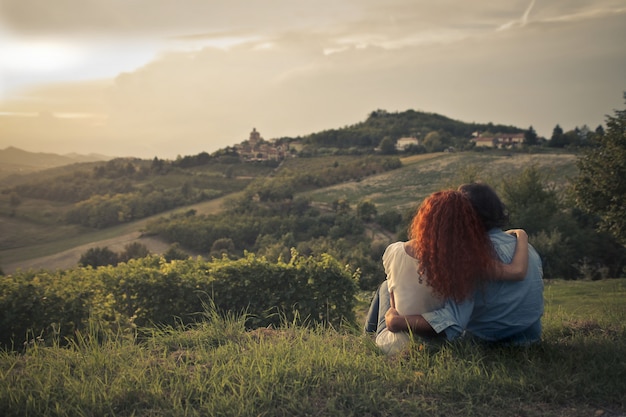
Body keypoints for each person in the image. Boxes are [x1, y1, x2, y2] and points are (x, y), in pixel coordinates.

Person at [365, 188, 530, 354]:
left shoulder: (394, 251)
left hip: (395, 344)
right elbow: (516, 271)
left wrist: (394, 320)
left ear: (424, 219)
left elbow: (395, 308)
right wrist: (521, 234)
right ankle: (367, 337)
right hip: (439, 346)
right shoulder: (467, 261)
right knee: (387, 287)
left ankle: (366, 338)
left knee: (386, 286)